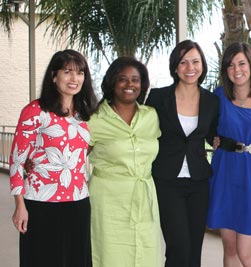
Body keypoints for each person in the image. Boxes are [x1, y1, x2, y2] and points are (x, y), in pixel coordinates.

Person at [9, 49, 97, 267]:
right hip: (41, 203)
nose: (74, 79)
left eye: (80, 73)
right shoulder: (35, 111)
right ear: (54, 76)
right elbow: (17, 161)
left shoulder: (85, 113)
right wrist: (19, 205)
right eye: (67, 72)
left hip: (78, 201)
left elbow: (82, 151)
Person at [145, 39, 219, 267]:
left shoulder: (212, 100)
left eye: (196, 61)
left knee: (194, 247)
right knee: (178, 247)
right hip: (167, 181)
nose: (190, 68)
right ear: (175, 67)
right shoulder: (158, 98)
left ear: (202, 65)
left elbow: (213, 134)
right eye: (184, 62)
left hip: (198, 182)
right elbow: (143, 129)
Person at [207, 42, 251, 267]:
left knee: (246, 252)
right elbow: (203, 125)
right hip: (226, 173)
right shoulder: (218, 96)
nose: (236, 69)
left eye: (241, 63)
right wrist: (212, 138)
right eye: (230, 65)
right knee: (230, 248)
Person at [87, 57, 162, 267]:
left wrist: (216, 139)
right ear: (112, 83)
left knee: (146, 253)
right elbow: (73, 157)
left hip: (144, 196)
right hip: (107, 200)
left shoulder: (151, 116)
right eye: (123, 79)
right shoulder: (95, 119)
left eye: (135, 80)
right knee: (109, 255)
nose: (130, 85)